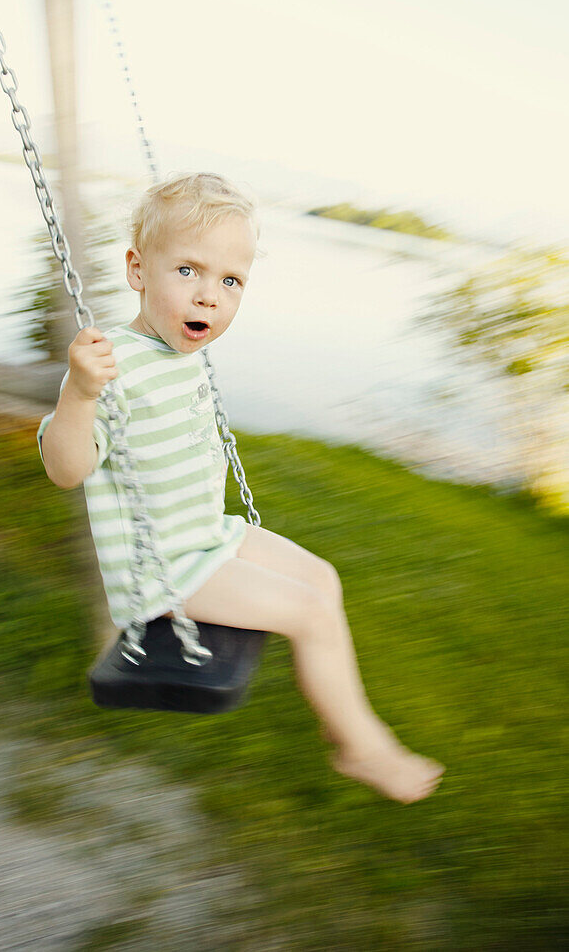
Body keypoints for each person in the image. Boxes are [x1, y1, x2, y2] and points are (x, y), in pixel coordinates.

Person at [37, 172, 445, 804]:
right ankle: (363, 747)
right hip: (168, 569)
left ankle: (357, 736)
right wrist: (79, 392)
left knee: (324, 579)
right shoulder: (110, 364)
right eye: (189, 272)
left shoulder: (183, 351)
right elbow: (66, 468)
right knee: (309, 613)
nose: (209, 297)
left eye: (230, 282)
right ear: (137, 270)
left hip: (207, 533)